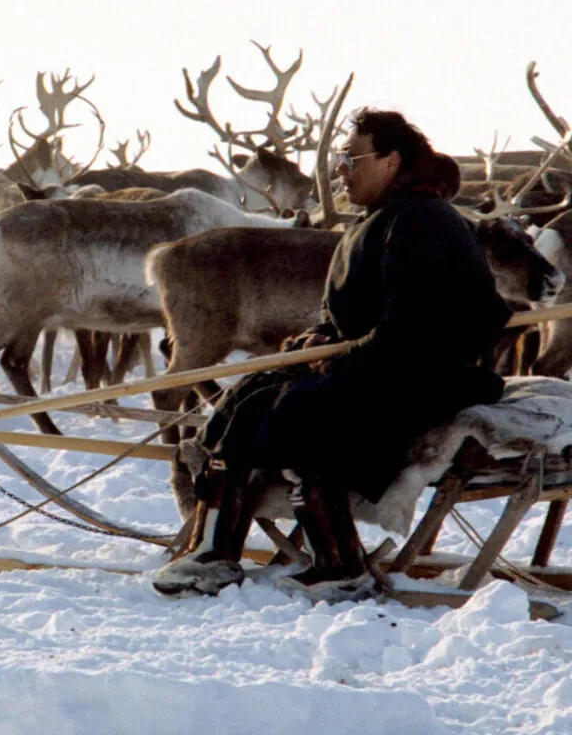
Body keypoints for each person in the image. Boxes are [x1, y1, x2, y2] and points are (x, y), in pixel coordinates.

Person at [152, 108, 513, 601]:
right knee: (247, 395)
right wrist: (316, 341)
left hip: (421, 376)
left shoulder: (423, 221)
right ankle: (216, 551)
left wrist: (341, 357)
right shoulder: (377, 221)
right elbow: (342, 315)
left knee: (299, 411)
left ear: (390, 160)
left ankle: (339, 564)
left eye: (350, 157)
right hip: (373, 366)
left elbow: (414, 325)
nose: (340, 169)